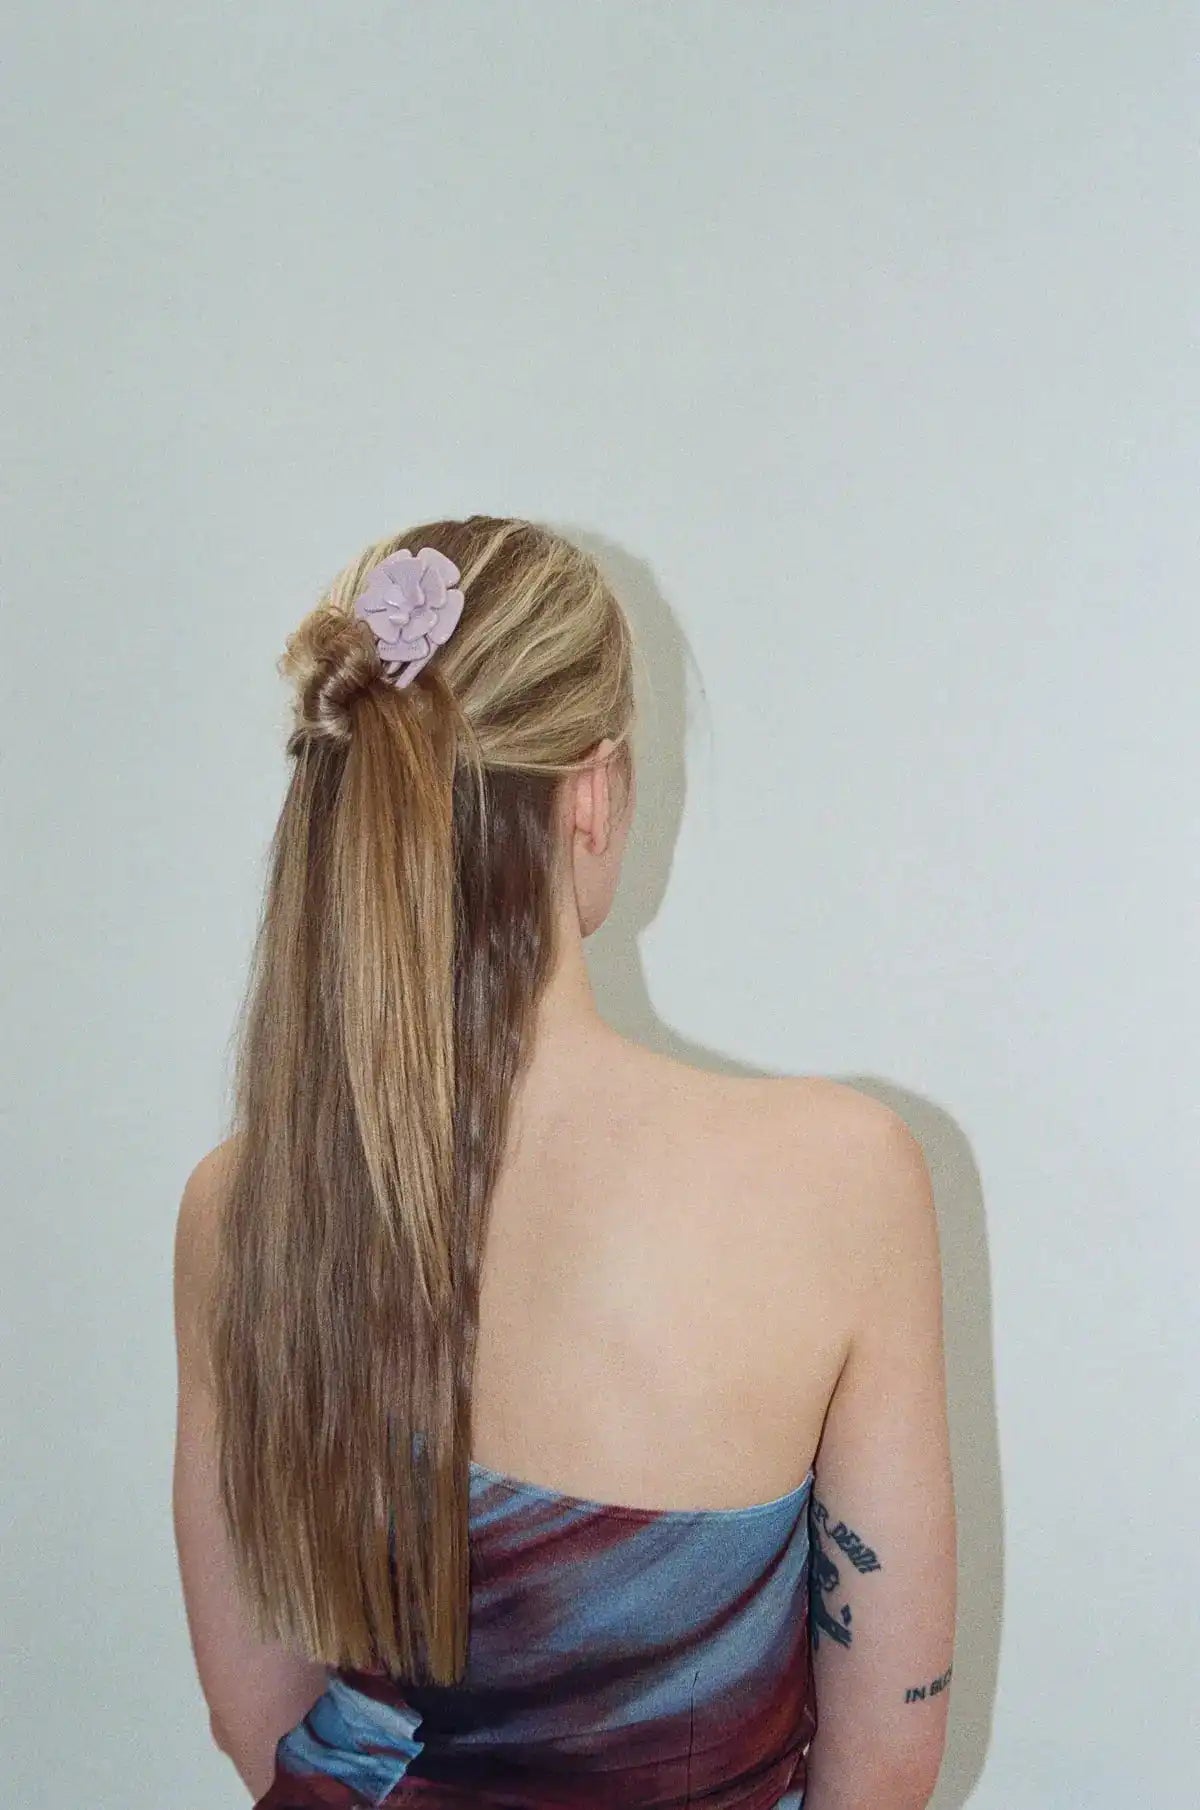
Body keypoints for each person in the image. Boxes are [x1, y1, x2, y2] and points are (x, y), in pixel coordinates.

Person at [173, 514, 957, 1809]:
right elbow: (888, 1758)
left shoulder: (240, 1207)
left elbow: (251, 1713)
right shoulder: (841, 1179)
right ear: (591, 792)